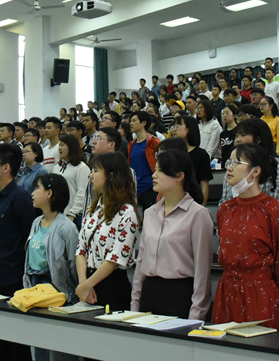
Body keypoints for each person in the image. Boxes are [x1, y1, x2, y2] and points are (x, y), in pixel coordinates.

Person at [212, 143, 279, 332]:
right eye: (229, 162)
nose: (230, 167)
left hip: (260, 295)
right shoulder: (225, 210)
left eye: (237, 162)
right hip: (227, 292)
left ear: (256, 171)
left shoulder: (274, 211)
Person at [131, 151, 212, 320]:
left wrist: (196, 315)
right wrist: (135, 304)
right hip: (149, 292)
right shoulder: (150, 213)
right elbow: (141, 262)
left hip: (179, 295)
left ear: (180, 176)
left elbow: (202, 269)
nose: (154, 175)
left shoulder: (197, 214)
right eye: (155, 170)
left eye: (160, 171)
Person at [0, 144, 39, 361]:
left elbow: (31, 238)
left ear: (6, 168)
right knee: (0, 338)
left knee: (17, 342)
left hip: (14, 278)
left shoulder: (20, 198)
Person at [24, 173, 80, 361]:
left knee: (59, 347)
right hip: (36, 288)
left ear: (49, 193)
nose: (32, 193)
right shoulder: (36, 222)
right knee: (40, 343)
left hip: (58, 291)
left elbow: (73, 265)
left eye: (36, 188)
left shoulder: (67, 228)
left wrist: (72, 294)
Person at [75, 152, 138, 321]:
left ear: (111, 176)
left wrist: (88, 284)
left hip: (112, 284)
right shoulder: (93, 209)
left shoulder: (127, 212)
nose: (91, 175)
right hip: (88, 282)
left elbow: (115, 258)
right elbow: (81, 249)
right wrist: (83, 283)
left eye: (96, 171)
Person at [219, 119, 279, 208]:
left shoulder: (273, 167)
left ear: (258, 139)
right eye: (236, 136)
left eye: (243, 135)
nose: (237, 140)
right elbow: (225, 201)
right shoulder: (230, 165)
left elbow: (278, 205)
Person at [171, 115, 213, 204]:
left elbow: (204, 185)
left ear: (188, 129)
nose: (174, 130)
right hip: (174, 201)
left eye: (177, 126)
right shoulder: (171, 154)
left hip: (194, 202)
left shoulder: (201, 154)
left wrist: (202, 206)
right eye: (173, 127)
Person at [53, 134, 91, 224]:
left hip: (74, 216)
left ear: (71, 147)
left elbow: (81, 192)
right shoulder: (57, 167)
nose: (59, 148)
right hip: (57, 214)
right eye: (59, 145)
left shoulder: (81, 167)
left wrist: (72, 213)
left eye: (62, 145)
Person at [128, 111, 160, 212]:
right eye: (130, 121)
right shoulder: (131, 145)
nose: (131, 123)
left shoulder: (154, 142)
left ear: (143, 123)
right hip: (135, 189)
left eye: (134, 121)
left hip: (150, 188)